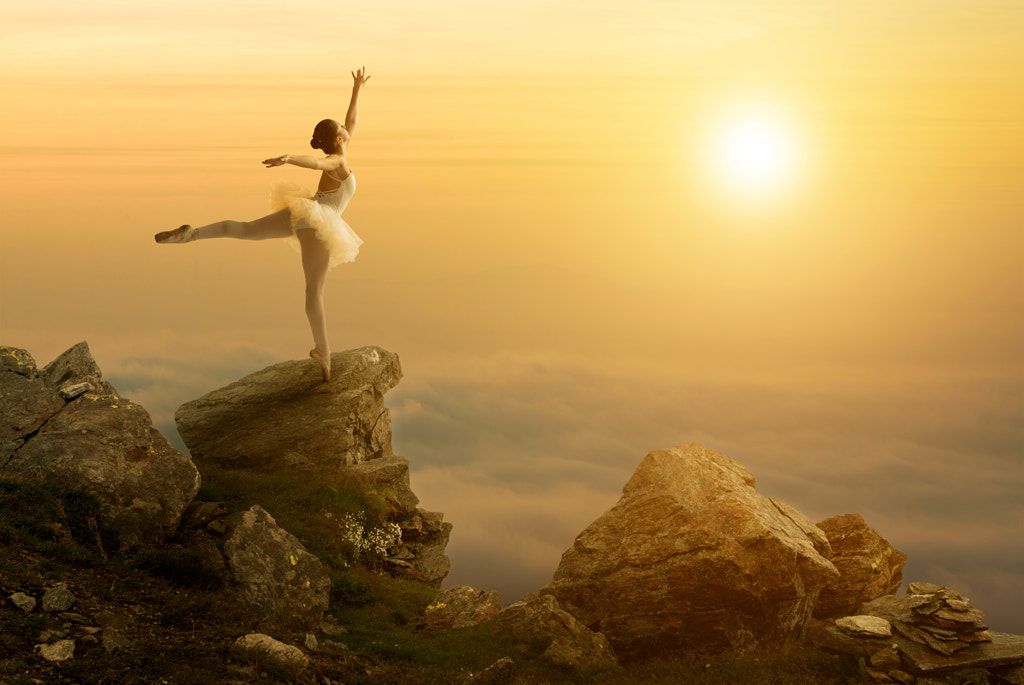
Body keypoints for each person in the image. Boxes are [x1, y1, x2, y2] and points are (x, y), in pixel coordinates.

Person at [155, 68, 371, 383]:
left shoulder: (343, 145)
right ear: (338, 139)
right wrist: (290, 158)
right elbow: (317, 162)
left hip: (304, 212)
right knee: (315, 291)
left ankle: (193, 234)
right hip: (318, 223)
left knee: (245, 229)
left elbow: (351, 122)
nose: (348, 131)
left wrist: (356, 89)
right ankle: (323, 352)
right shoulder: (338, 161)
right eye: (343, 131)